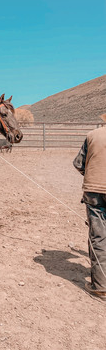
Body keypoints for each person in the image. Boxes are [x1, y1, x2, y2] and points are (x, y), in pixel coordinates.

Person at [73, 126, 106, 300]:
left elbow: (78, 163)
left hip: (94, 191)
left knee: (98, 237)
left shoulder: (93, 134)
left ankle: (101, 287)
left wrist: (92, 174)